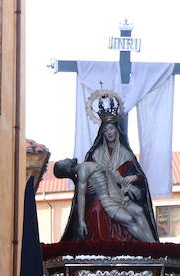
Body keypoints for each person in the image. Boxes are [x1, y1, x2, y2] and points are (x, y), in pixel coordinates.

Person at [55, 103, 158, 244]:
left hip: (122, 193)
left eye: (111, 129)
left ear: (117, 130)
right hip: (103, 198)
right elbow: (82, 187)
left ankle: (153, 246)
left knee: (140, 211)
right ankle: (149, 248)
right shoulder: (95, 154)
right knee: (102, 209)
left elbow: (140, 177)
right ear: (102, 133)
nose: (109, 133)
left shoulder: (126, 154)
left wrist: (134, 177)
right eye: (105, 130)